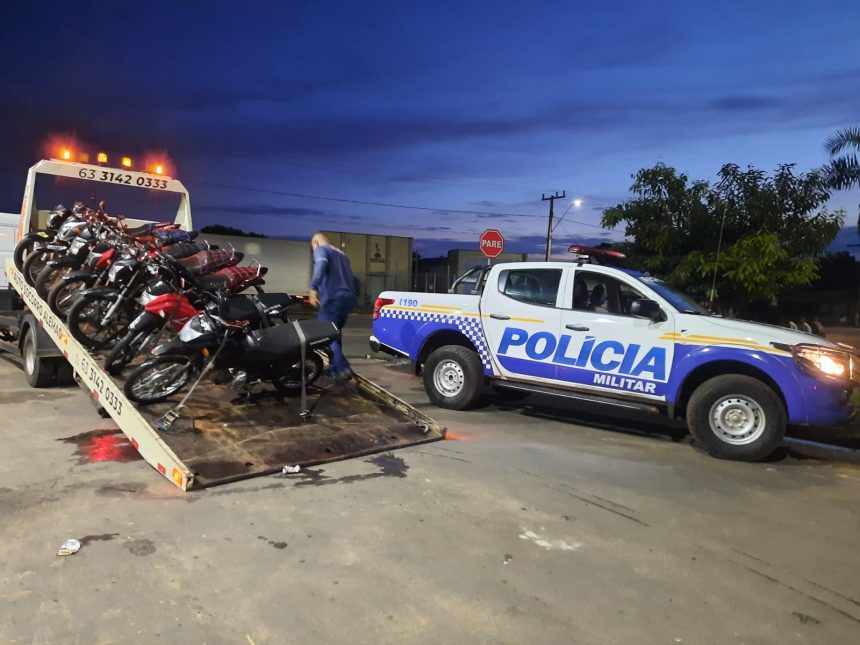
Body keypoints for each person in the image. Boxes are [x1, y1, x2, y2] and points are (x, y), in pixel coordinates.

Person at [309, 232, 357, 381]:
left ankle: (343, 369)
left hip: (333, 299)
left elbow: (321, 264)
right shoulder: (343, 255)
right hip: (347, 298)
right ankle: (335, 370)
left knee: (324, 334)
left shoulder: (321, 250)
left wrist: (313, 288)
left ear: (316, 243)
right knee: (334, 335)